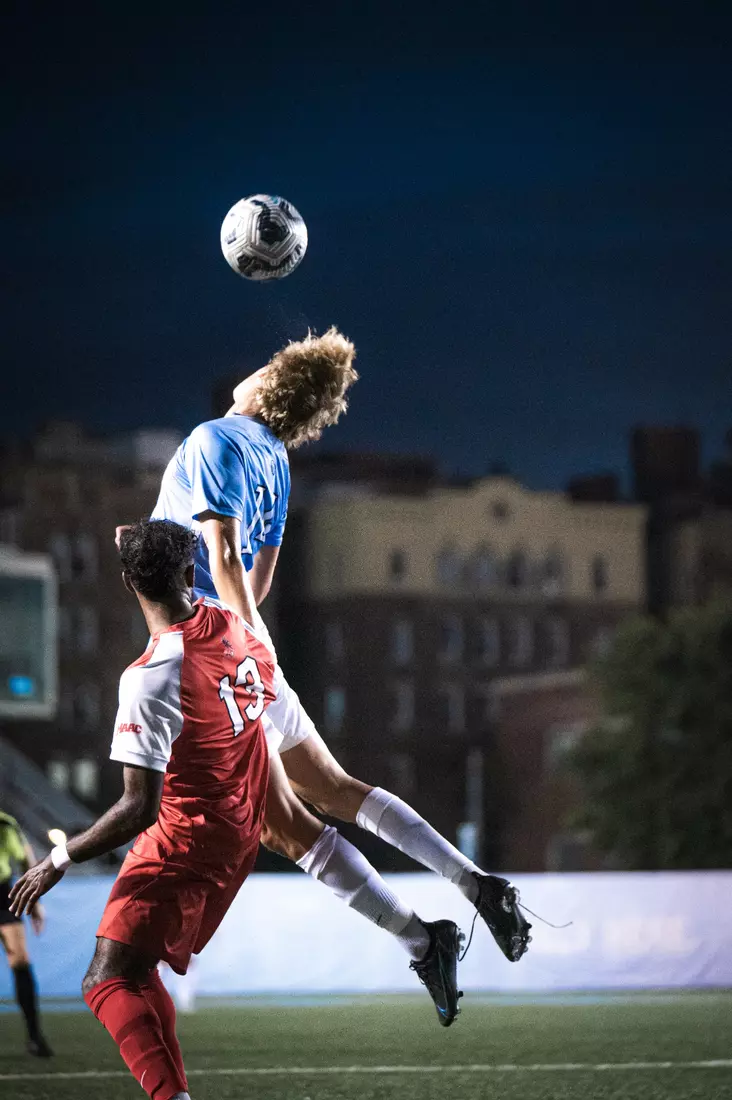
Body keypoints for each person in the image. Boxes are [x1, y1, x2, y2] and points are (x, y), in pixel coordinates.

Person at [148, 328, 531, 1024]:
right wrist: (251, 636)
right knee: (331, 788)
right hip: (240, 641)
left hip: (213, 653)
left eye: (266, 365)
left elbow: (230, 563)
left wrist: (240, 647)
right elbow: (260, 580)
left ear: (269, 387)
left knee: (286, 828)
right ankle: (473, 885)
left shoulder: (214, 439)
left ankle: (424, 938)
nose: (255, 368)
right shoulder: (277, 462)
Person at [11, 519, 276, 1100]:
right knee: (137, 969)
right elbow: (196, 585)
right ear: (189, 574)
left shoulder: (150, 678)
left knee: (104, 980)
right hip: (241, 827)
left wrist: (57, 859)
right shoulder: (231, 624)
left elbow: (138, 808)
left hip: (185, 837)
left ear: (129, 582)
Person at [0, 812, 52, 1056]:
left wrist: (35, 901)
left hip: (2, 895)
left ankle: (34, 1037)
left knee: (20, 961)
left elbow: (26, 859)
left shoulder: (6, 823)